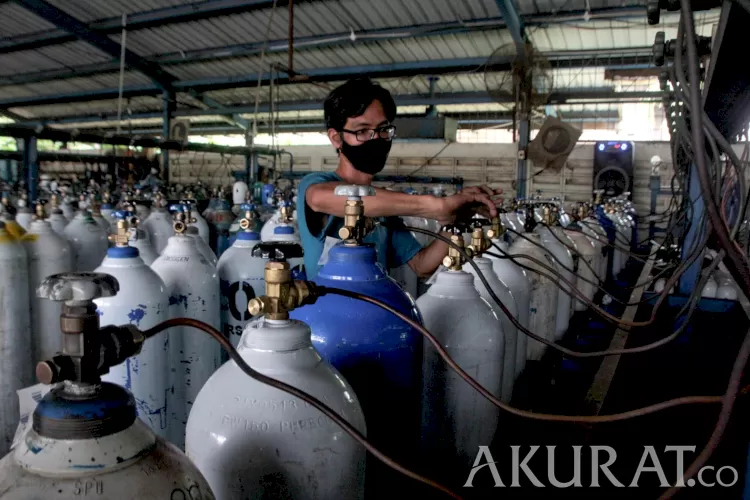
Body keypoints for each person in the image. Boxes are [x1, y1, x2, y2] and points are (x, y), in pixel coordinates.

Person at [298, 77, 503, 279]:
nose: (376, 138)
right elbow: (319, 198)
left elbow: (422, 265)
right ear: (336, 138)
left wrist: (457, 221)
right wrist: (437, 207)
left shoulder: (385, 212)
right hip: (326, 309)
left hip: (377, 308)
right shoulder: (316, 183)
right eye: (362, 131)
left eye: (383, 129)